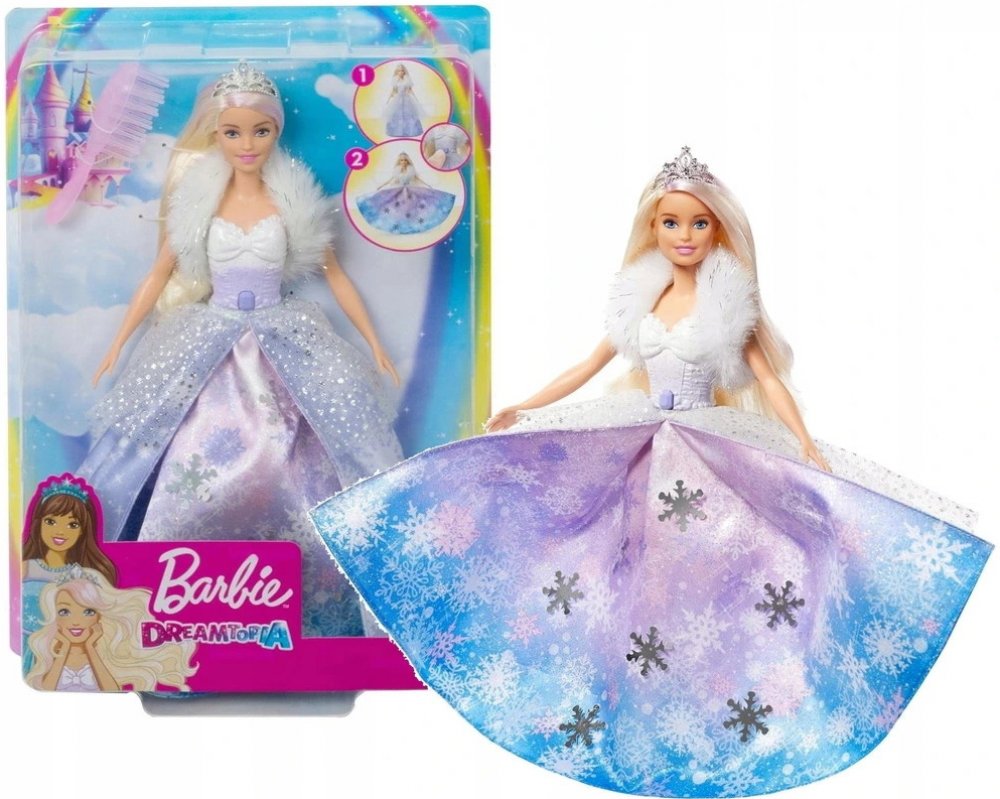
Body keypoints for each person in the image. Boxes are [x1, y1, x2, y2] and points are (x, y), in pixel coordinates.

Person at [311, 148, 992, 795]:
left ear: (718, 229)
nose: (683, 236)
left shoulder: (729, 303)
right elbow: (588, 364)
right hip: (642, 439)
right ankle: (631, 702)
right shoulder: (639, 297)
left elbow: (768, 378)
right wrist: (527, 405)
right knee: (613, 565)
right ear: (653, 227)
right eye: (671, 223)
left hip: (704, 447)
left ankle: (711, 700)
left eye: (698, 223)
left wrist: (804, 442)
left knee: (716, 573)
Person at [79, 61, 402, 638]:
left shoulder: (293, 201)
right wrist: (117, 344)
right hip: (211, 334)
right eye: (233, 132)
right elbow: (158, 273)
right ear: (217, 134)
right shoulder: (196, 203)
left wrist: (375, 342)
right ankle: (172, 599)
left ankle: (316, 599)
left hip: (281, 336)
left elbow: (335, 275)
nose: (247, 144)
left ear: (276, 132)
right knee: (185, 442)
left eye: (261, 131)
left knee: (305, 451)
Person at [26, 566, 196, 692]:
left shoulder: (105, 654)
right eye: (64, 612)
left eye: (88, 612)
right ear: (55, 616)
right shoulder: (48, 653)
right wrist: (63, 649)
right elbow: (47, 689)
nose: (76, 622)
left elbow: (111, 689)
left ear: (99, 616)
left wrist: (90, 647)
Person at [384, 63, 424, 138]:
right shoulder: (395, 80)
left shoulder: (407, 80)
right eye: (399, 71)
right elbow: (393, 90)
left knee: (409, 114)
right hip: (397, 99)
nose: (401, 72)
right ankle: (396, 131)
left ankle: (410, 131)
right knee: (395, 114)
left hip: (406, 99)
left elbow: (410, 90)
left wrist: (415, 98)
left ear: (404, 71)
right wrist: (388, 99)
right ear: (396, 72)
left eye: (402, 70)